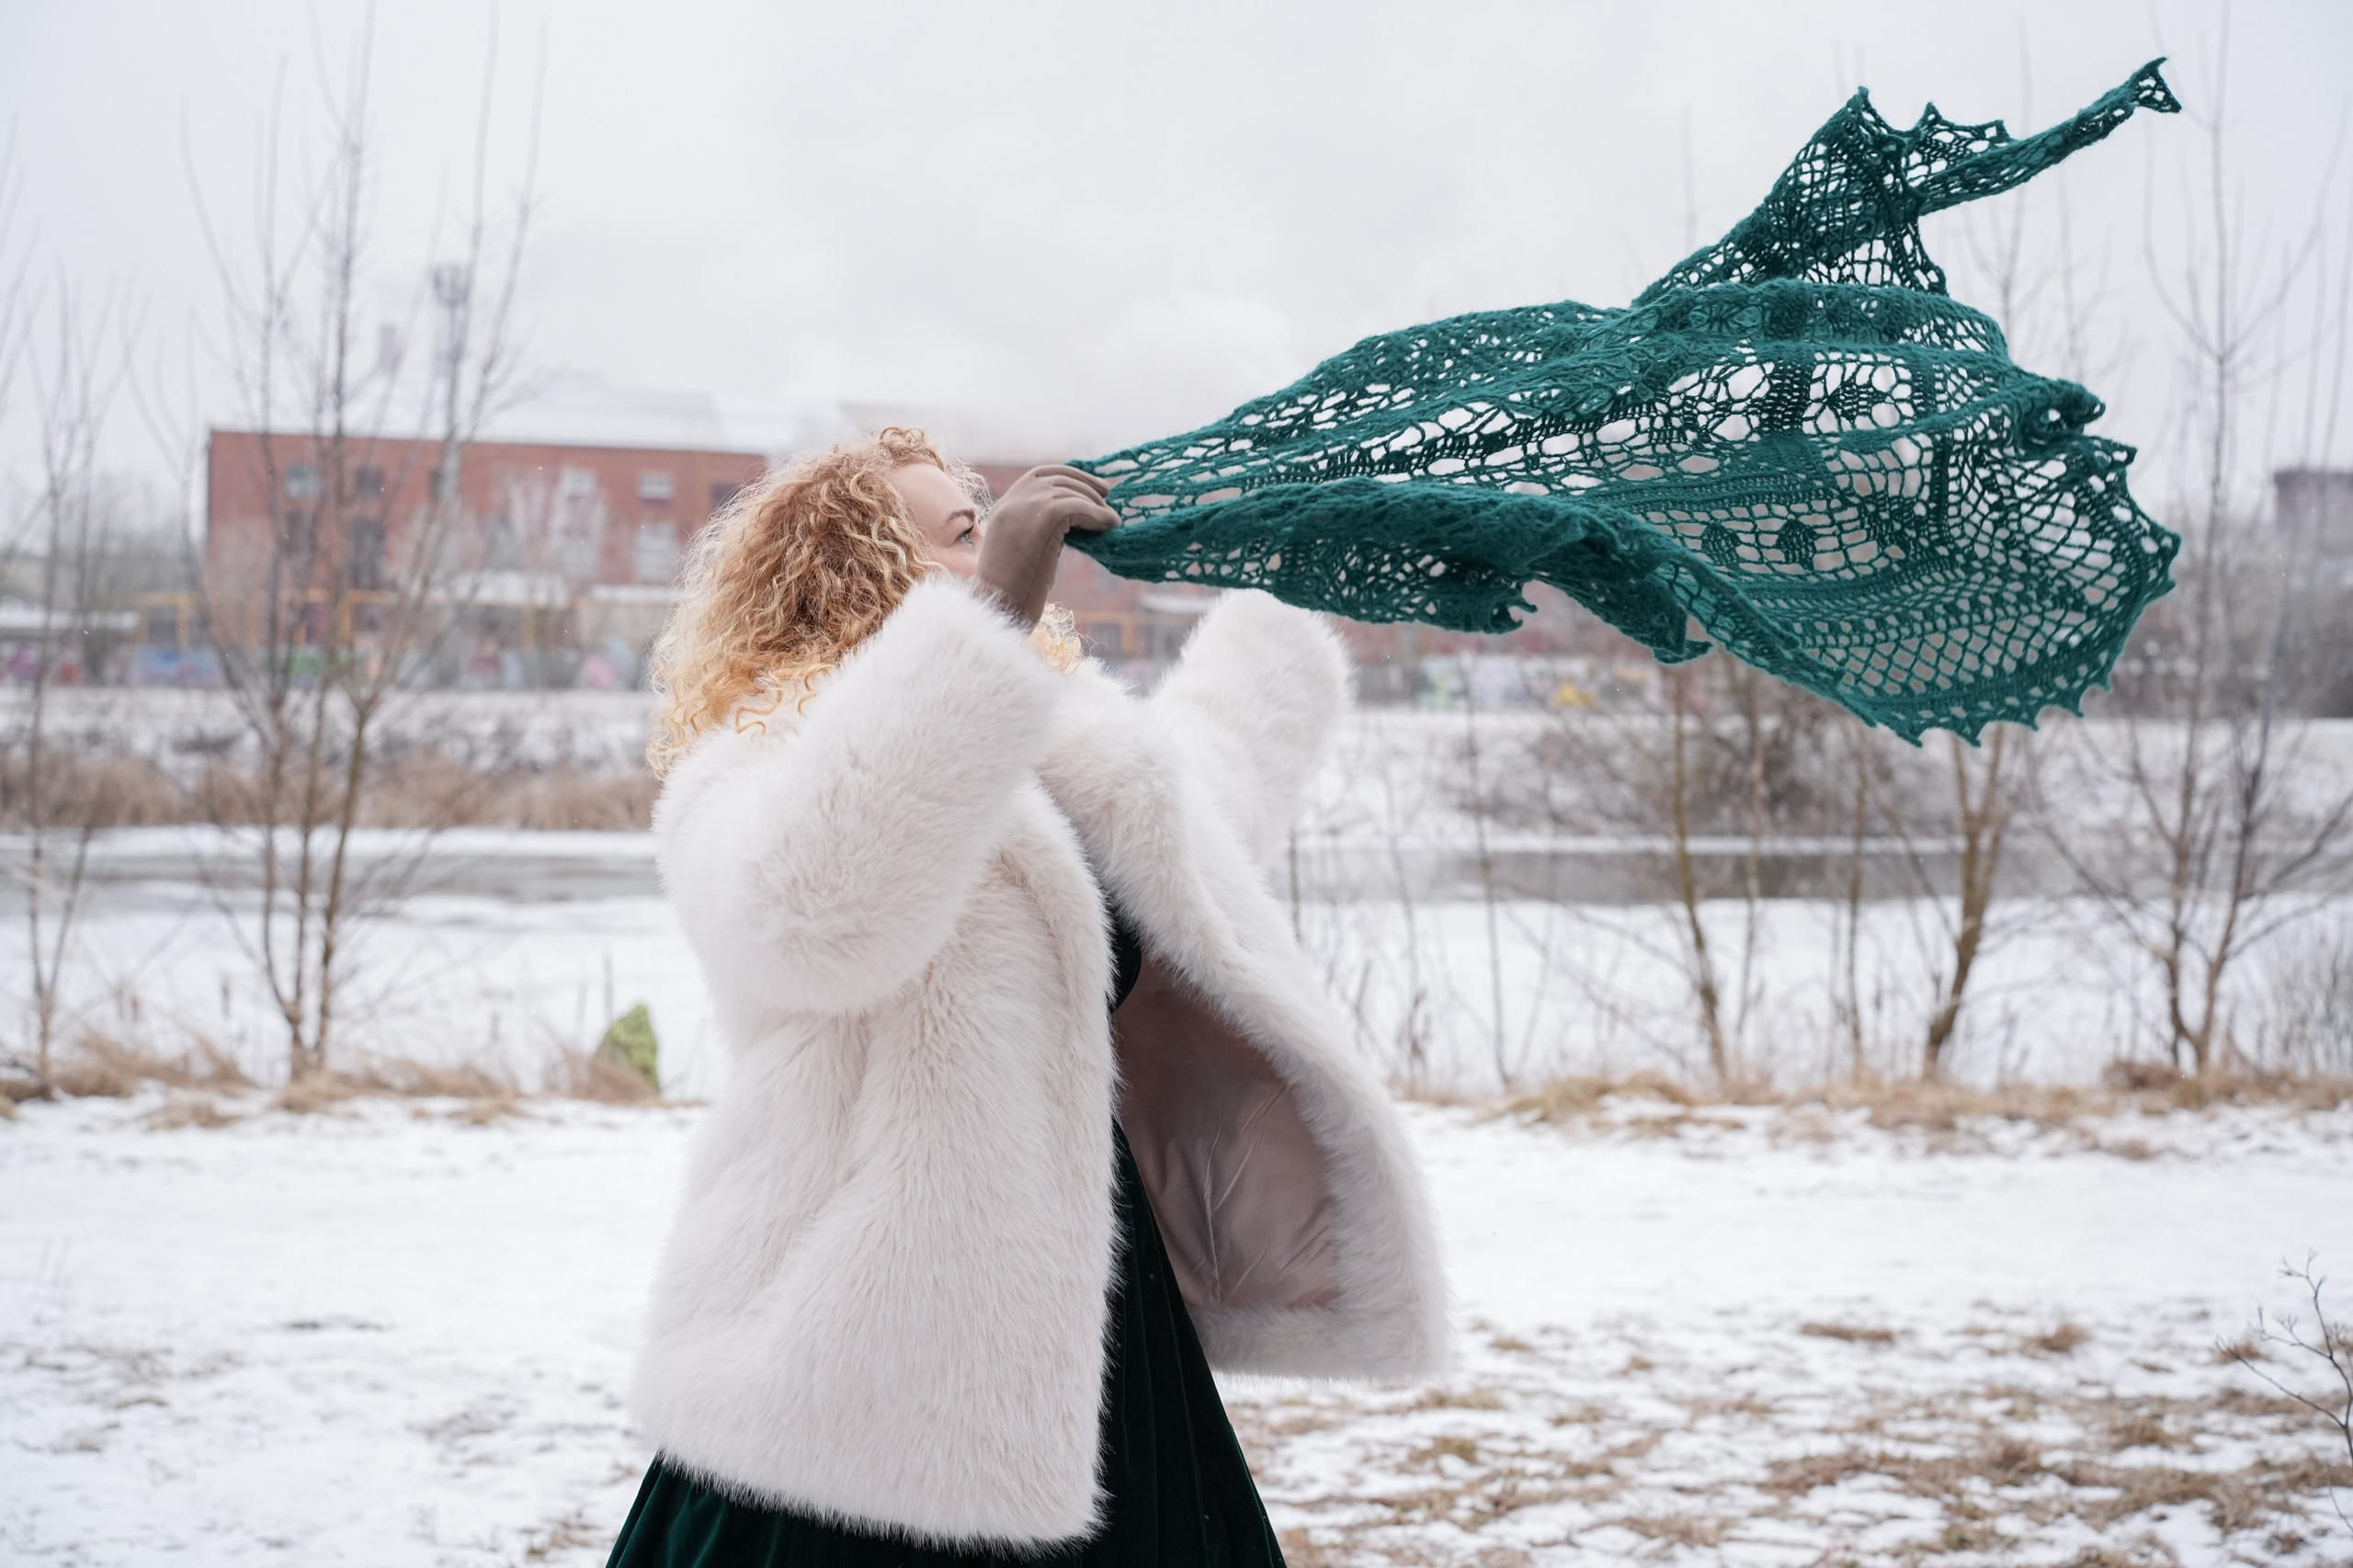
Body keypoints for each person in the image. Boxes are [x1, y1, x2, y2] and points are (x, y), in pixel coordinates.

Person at [608, 427, 1447, 1566]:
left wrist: (1286, 585)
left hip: (1078, 1307)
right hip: (850, 1351)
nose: (1006, 544)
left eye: (986, 527)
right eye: (965, 533)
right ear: (846, 571)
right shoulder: (749, 768)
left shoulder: (1052, 742)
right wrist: (990, 613)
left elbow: (1206, 819)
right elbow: (813, 915)